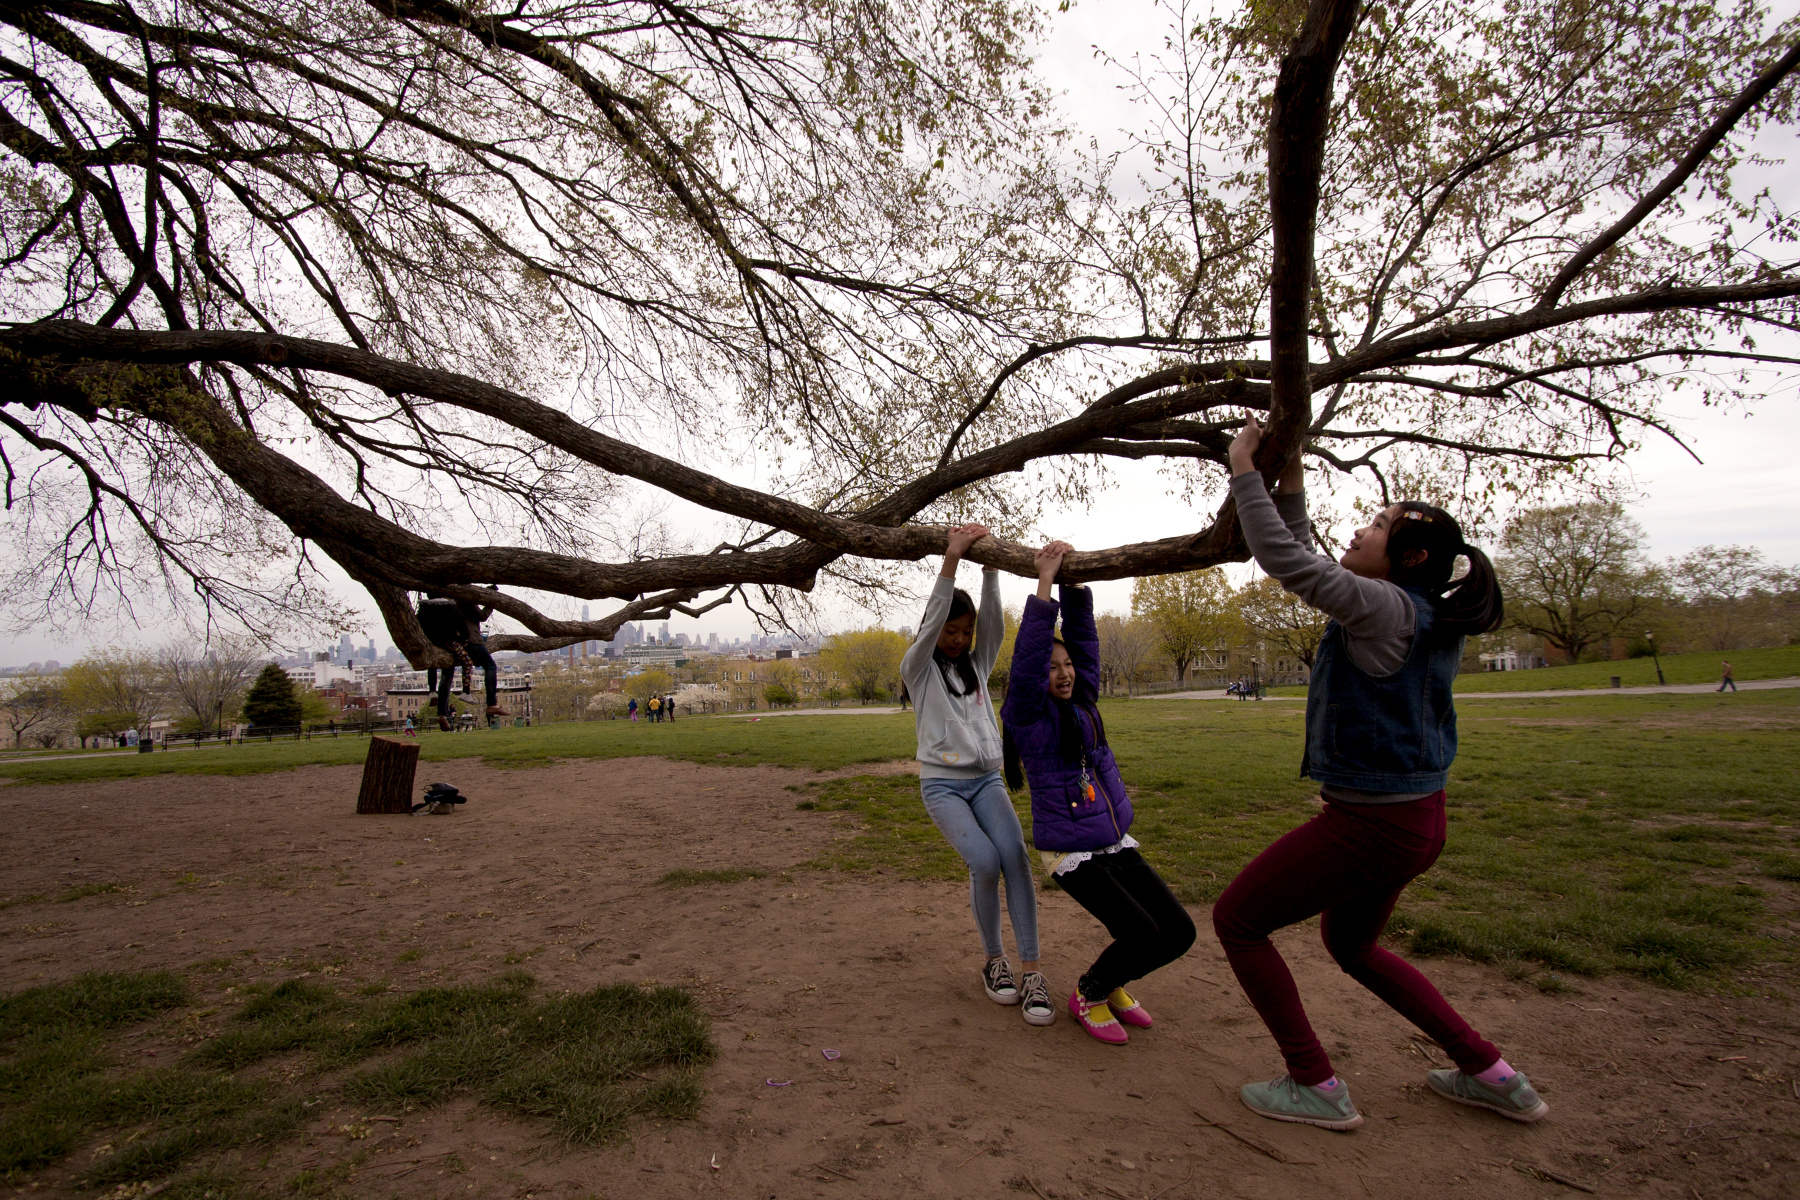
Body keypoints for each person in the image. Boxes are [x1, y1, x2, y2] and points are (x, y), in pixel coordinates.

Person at [1210, 415, 1546, 1132]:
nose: (1360, 530)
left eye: (1379, 524)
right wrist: (1291, 478)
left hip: (1373, 824)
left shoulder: (1384, 607)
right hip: (1418, 821)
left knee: (1239, 920)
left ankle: (1315, 1085)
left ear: (1413, 555)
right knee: (1352, 945)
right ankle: (1490, 1072)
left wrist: (1244, 470)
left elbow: (1289, 563)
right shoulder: (1414, 610)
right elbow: (1309, 554)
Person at [1003, 540, 1195, 1044]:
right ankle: (1090, 991)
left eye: (1065, 665)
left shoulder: (1084, 696)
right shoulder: (1027, 714)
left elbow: (1086, 644)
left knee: (1178, 932)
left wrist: (1076, 583)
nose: (1063, 673)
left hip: (1110, 838)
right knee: (1141, 933)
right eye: (1052, 667)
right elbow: (1027, 659)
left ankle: (1112, 984)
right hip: (1070, 848)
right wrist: (1044, 584)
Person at [903, 522, 1053, 1027]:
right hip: (943, 785)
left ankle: (1031, 969)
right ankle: (995, 962)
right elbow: (929, 632)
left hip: (986, 779)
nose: (959, 638)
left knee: (1016, 858)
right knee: (986, 862)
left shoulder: (976, 666)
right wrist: (951, 557)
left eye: (963, 631)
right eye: (950, 629)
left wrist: (991, 568)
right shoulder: (918, 670)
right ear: (933, 626)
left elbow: (994, 630)